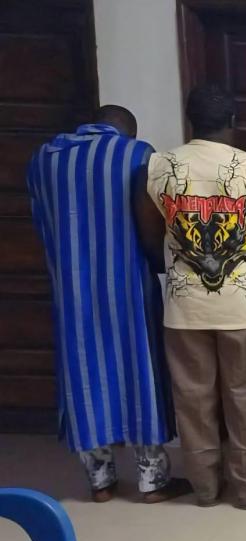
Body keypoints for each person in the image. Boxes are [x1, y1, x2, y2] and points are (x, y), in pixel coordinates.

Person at [136, 84, 246, 509]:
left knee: (192, 399)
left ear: (190, 121)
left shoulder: (157, 166)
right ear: (233, 121)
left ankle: (204, 488)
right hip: (242, 307)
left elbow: (149, 238)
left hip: (183, 306)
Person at [27, 106, 189, 503]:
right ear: (126, 131)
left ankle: (100, 481)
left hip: (72, 288)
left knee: (83, 375)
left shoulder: (45, 159)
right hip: (127, 284)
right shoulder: (137, 155)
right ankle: (153, 480)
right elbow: (151, 223)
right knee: (139, 371)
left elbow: (43, 223)